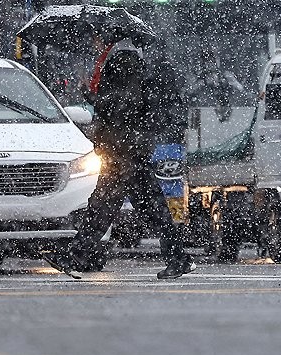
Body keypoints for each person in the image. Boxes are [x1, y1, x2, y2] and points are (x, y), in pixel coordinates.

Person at [46, 46, 195, 279]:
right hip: (126, 156)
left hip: (124, 157)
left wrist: (92, 95)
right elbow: (117, 112)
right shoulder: (133, 82)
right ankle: (178, 258)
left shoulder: (128, 84)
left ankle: (76, 256)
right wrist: (91, 95)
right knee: (143, 211)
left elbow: (118, 110)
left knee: (103, 209)